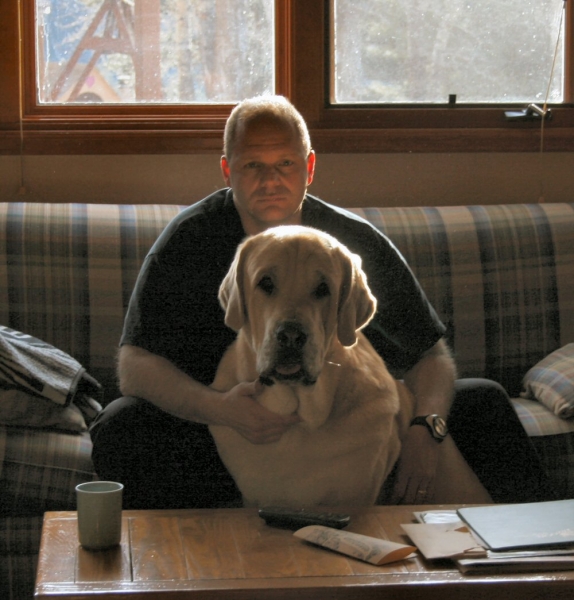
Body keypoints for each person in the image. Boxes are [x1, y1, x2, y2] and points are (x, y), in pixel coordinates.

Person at [90, 95, 554, 509]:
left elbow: (431, 356)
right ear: (227, 170)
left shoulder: (352, 244)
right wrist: (221, 409)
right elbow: (133, 365)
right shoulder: (189, 242)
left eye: (286, 164)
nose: (271, 180)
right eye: (253, 165)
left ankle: (547, 561)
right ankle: (209, 555)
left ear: (309, 168)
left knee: (486, 405)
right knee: (121, 427)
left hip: (343, 432)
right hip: (225, 427)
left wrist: (424, 430)